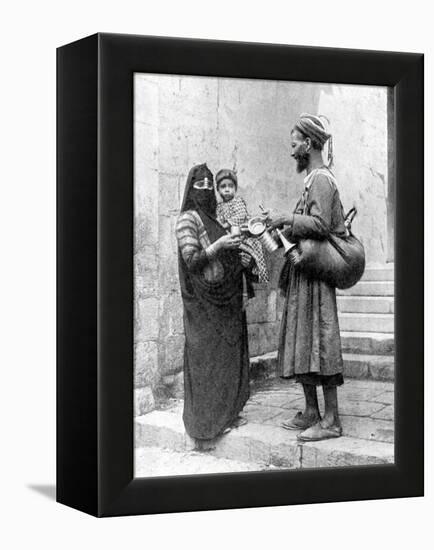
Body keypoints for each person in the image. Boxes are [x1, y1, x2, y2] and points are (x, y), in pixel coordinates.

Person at [268, 114, 347, 441]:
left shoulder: (322, 180)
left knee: (321, 340)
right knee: (303, 339)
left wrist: (288, 217)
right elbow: (307, 224)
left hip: (317, 273)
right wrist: (279, 225)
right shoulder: (312, 179)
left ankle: (332, 420)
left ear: (309, 143)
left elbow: (321, 225)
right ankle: (312, 411)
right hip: (304, 271)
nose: (292, 152)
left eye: (295, 144)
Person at [175, 163, 253, 445]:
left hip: (224, 301)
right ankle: (206, 423)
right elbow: (193, 260)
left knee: (226, 357)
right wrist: (220, 246)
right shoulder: (187, 219)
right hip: (202, 305)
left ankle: (228, 413)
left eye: (211, 187)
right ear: (191, 189)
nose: (207, 191)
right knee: (207, 358)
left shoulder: (215, 216)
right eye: (201, 187)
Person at [216, 168, 269, 283]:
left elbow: (240, 215)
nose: (227, 190)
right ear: (218, 190)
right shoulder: (219, 207)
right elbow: (217, 220)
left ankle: (258, 273)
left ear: (235, 188)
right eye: (223, 187)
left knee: (253, 252)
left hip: (242, 235)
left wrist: (227, 223)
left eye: (230, 186)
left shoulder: (237, 202)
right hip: (228, 237)